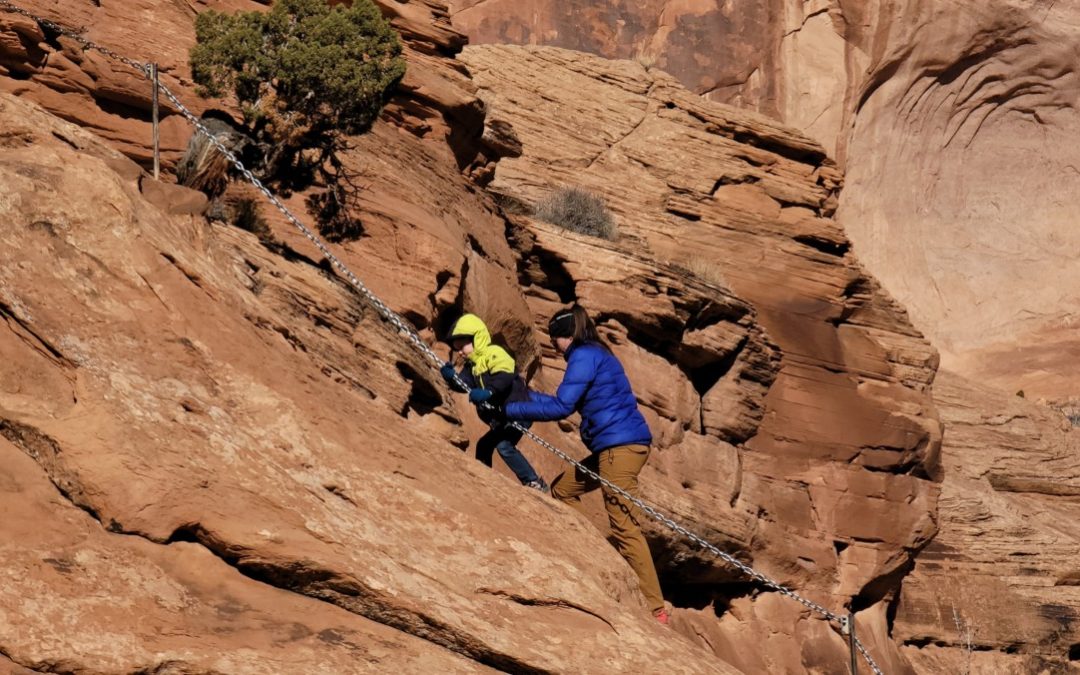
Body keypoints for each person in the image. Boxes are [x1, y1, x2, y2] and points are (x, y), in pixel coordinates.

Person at [502, 305, 669, 625]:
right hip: (617, 445)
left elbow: (563, 406)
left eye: (555, 341)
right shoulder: (595, 354)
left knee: (624, 525)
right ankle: (596, 557)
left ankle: (655, 609)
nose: (555, 348)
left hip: (619, 448)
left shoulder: (583, 356)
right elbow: (565, 401)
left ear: (567, 336)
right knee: (564, 489)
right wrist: (524, 397)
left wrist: (514, 408)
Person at [441, 314, 548, 493]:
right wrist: (451, 378)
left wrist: (489, 391)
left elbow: (505, 375)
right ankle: (483, 480)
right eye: (456, 348)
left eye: (462, 346)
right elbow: (464, 385)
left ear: (476, 338)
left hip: (518, 411)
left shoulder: (495, 352)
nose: (460, 352)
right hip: (501, 418)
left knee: (504, 446)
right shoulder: (472, 367)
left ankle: (533, 482)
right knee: (484, 445)